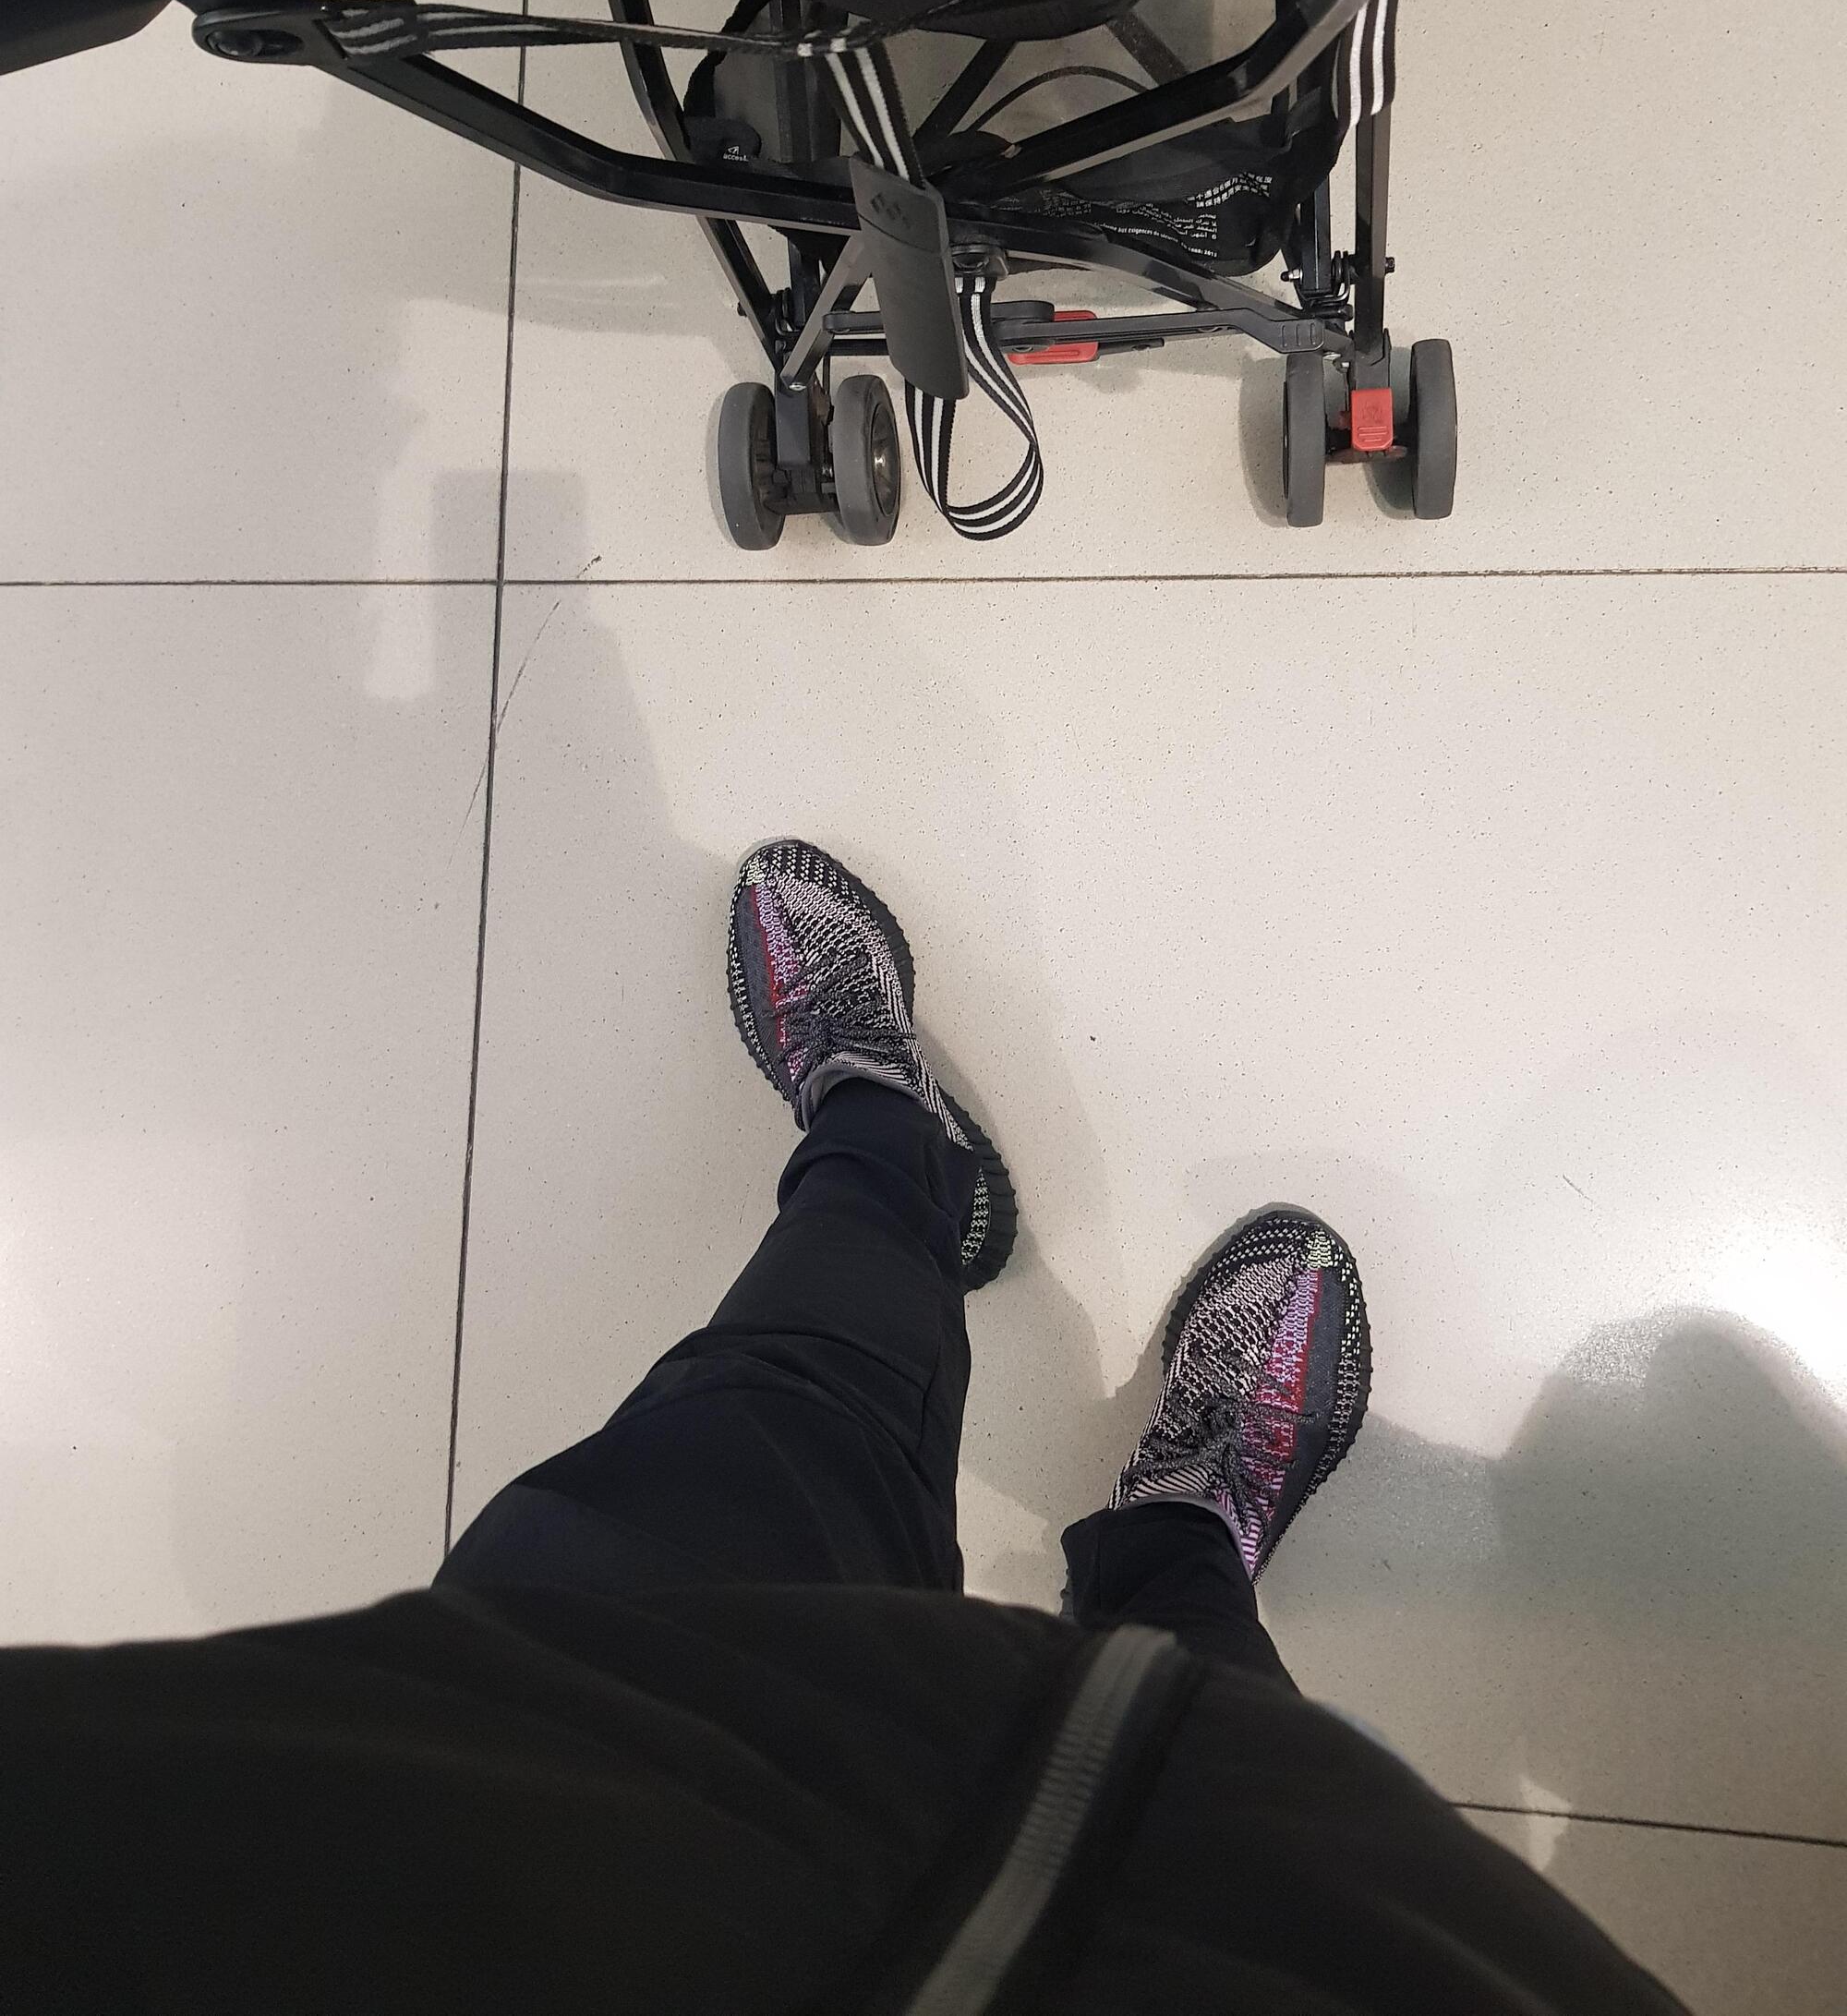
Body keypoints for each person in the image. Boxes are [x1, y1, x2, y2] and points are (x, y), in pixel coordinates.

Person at [0, 839, 1683, 2014]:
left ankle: (885, 1145)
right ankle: (1183, 1529)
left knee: (749, 1462)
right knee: (1204, 1739)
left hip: (444, 1893)